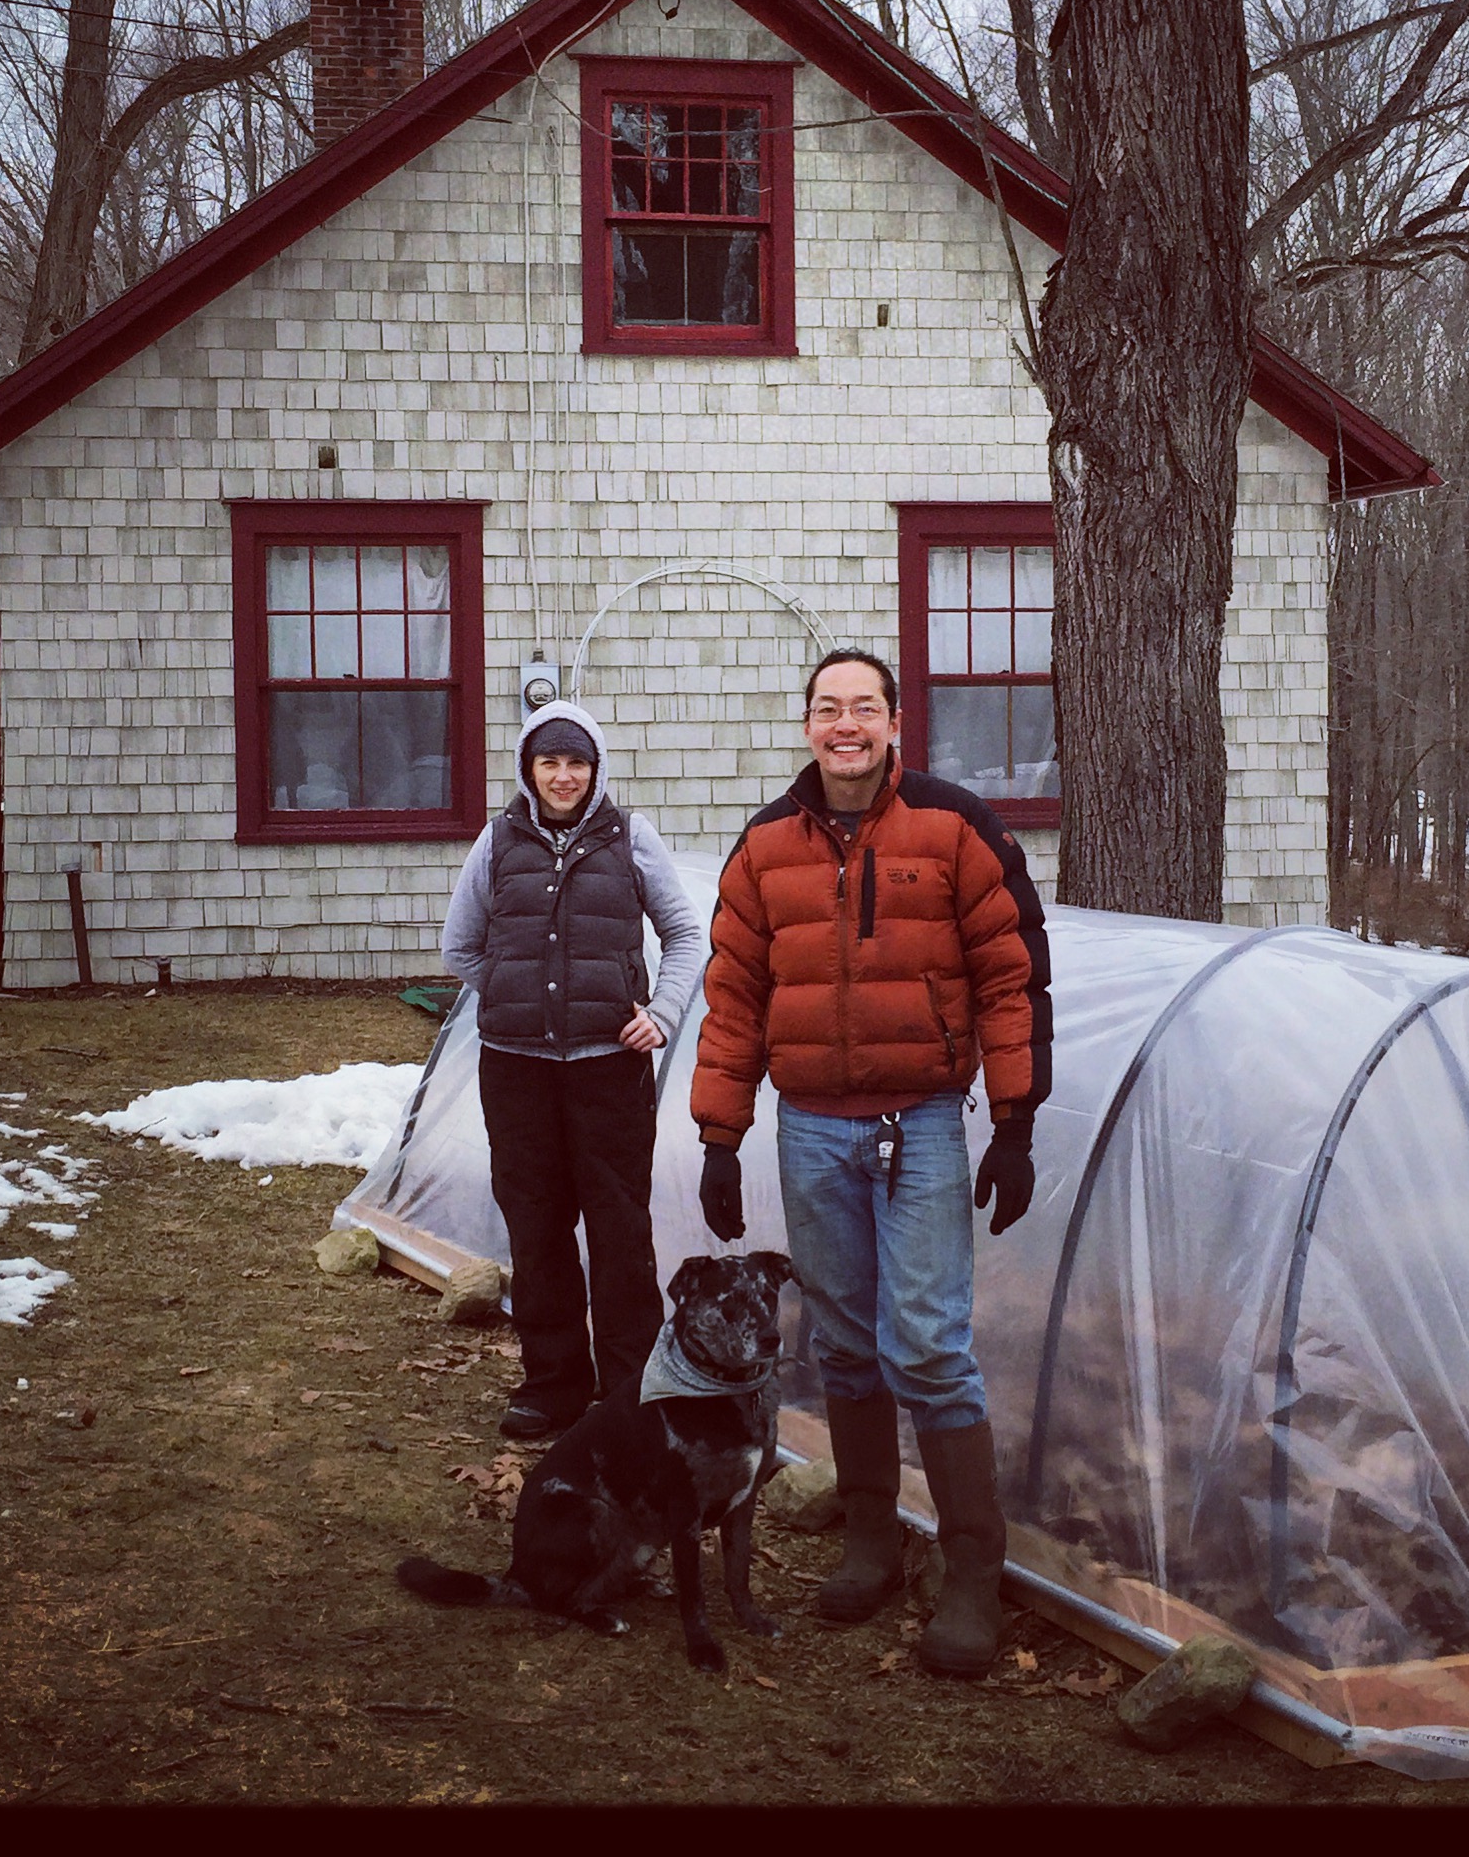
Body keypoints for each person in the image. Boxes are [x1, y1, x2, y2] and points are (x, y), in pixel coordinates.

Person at [691, 647, 1050, 1676]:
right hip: (811, 1126)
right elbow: (733, 999)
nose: (844, 723)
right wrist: (720, 1137)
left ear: (896, 722)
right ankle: (870, 1538)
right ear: (806, 725)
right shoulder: (763, 846)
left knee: (930, 1346)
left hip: (923, 1122)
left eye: (864, 707)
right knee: (844, 1345)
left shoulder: (953, 827)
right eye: (825, 707)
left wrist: (1014, 1123)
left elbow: (1009, 973)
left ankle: (974, 1572)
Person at [441, 699, 707, 1443]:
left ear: (597, 770)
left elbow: (685, 934)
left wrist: (661, 1011)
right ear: (529, 769)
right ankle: (552, 1384)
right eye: (549, 762)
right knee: (537, 1226)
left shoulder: (631, 838)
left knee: (621, 1231)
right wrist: (515, 991)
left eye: (576, 762)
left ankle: (629, 1391)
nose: (563, 776)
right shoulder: (496, 843)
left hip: (608, 1070)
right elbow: (459, 948)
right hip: (517, 1073)